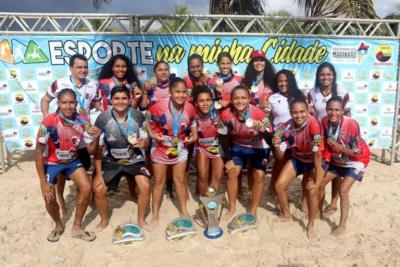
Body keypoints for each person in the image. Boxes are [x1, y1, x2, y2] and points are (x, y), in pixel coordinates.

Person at [35, 88, 100, 242]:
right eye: (64, 102)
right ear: (58, 104)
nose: (68, 106)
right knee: (48, 197)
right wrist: (43, 182)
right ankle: (58, 225)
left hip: (72, 161)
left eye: (71, 102)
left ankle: (77, 227)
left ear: (76, 104)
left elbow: (91, 151)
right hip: (52, 163)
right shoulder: (48, 121)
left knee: (86, 188)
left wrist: (96, 138)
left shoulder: (83, 121)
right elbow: (38, 153)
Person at [40, 53, 102, 215]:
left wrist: (109, 113)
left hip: (82, 131)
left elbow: (96, 103)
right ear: (71, 68)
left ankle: (90, 196)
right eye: (79, 67)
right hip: (63, 132)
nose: (83, 70)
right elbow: (45, 100)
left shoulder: (93, 84)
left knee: (85, 163)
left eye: (85, 67)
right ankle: (61, 198)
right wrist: (47, 117)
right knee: (60, 169)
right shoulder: (59, 83)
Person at [92, 85, 151, 231]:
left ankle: (141, 220)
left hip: (134, 159)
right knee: (99, 189)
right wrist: (98, 175)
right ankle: (104, 221)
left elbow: (146, 141)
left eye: (124, 98)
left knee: (145, 186)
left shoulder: (138, 115)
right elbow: (98, 150)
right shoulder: (103, 117)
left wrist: (144, 143)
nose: (120, 101)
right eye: (116, 98)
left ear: (130, 99)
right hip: (111, 160)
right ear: (111, 100)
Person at [272, 97, 324, 238]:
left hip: (313, 160)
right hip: (298, 158)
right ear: (290, 112)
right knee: (279, 185)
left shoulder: (314, 124)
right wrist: (276, 144)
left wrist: (318, 181)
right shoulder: (285, 127)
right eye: (295, 112)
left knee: (311, 190)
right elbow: (279, 156)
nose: (299, 115)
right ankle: (286, 214)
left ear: (308, 111)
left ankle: (311, 224)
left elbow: (318, 154)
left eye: (302, 111)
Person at [147, 77, 197, 224]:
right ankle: (155, 213)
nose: (181, 95)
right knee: (158, 182)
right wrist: (153, 135)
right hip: (160, 148)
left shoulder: (190, 108)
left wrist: (193, 137)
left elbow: (193, 124)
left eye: (184, 92)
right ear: (170, 92)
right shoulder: (157, 107)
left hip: (180, 147)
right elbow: (148, 124)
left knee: (180, 180)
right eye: (177, 92)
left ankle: (183, 210)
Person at [319, 96, 370, 236]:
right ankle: (321, 210)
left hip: (357, 159)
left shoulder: (351, 124)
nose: (333, 113)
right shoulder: (324, 121)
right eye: (330, 109)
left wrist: (339, 148)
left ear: (342, 111)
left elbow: (356, 151)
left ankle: (342, 226)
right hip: (338, 160)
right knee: (320, 183)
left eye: (337, 110)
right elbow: (326, 144)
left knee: (343, 190)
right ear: (326, 109)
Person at [218, 85, 272, 219]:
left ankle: (253, 210)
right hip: (240, 144)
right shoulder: (225, 114)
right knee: (232, 171)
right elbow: (223, 138)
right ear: (231, 100)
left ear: (249, 100)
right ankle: (232, 208)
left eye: (243, 98)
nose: (239, 101)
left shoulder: (259, 113)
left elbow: (271, 139)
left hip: (259, 146)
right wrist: (228, 159)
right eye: (236, 98)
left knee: (259, 175)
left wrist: (262, 130)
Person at [307, 62, 351, 216]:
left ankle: (332, 204)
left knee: (336, 172)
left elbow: (348, 114)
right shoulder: (312, 92)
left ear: (333, 75)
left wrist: (342, 138)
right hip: (320, 138)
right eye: (322, 74)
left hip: (337, 138)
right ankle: (316, 201)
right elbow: (310, 114)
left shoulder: (341, 91)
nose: (325, 77)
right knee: (318, 169)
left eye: (328, 74)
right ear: (318, 76)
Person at [268, 69, 305, 195]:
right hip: (280, 136)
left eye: (286, 81)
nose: (283, 83)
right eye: (280, 81)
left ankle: (277, 188)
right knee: (280, 163)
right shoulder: (272, 98)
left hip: (298, 136)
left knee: (291, 164)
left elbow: (306, 114)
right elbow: (268, 118)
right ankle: (274, 189)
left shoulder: (300, 95)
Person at [192, 85, 224, 195]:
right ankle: (204, 201)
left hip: (217, 147)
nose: (205, 103)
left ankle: (211, 202)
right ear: (196, 103)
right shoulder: (194, 116)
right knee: (203, 175)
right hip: (202, 148)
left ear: (212, 101)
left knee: (217, 176)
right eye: (201, 101)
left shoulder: (218, 113)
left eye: (208, 100)